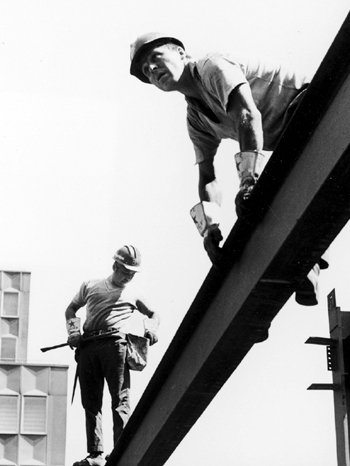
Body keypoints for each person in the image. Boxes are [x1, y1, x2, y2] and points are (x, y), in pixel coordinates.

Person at [129, 32, 327, 306]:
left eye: (155, 57)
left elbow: (248, 114)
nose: (151, 69)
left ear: (181, 52)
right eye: (145, 70)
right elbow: (207, 176)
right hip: (288, 141)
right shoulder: (196, 117)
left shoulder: (211, 67)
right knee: (254, 206)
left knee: (256, 197)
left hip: (312, 105)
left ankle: (305, 261)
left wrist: (249, 182)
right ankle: (285, 276)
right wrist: (209, 228)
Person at [65, 245, 160, 466]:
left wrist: (151, 328)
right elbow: (71, 309)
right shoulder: (90, 286)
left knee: (120, 400)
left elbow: (153, 313)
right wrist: (73, 332)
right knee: (91, 402)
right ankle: (96, 454)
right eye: (125, 271)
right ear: (115, 266)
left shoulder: (134, 293)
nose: (128, 276)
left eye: (132, 273)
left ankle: (121, 451)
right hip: (89, 347)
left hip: (115, 346)